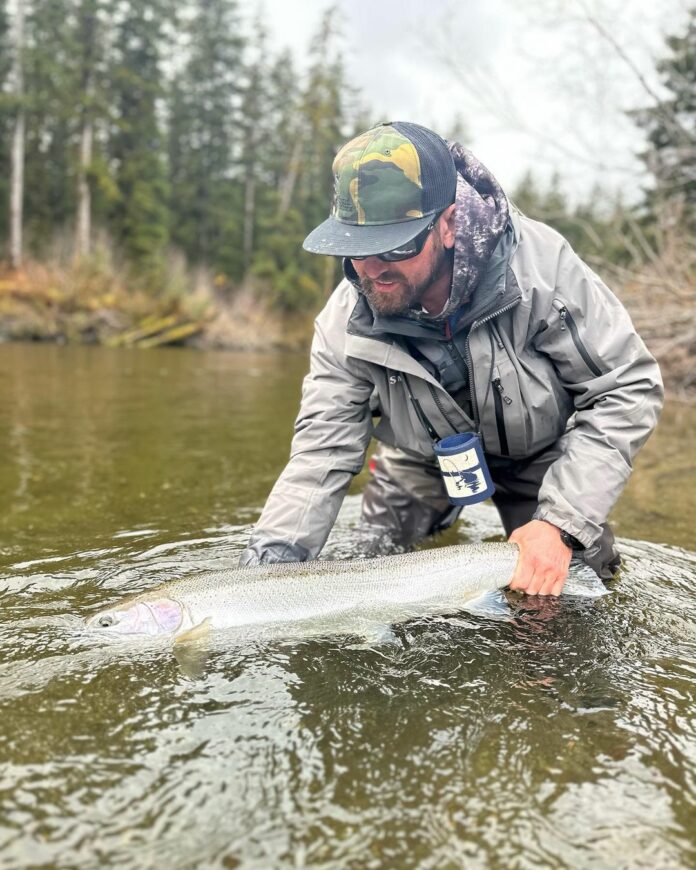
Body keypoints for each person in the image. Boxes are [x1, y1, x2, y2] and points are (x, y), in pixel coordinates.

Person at [240, 121, 663, 595]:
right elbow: (321, 451)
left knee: (578, 589)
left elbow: (627, 386)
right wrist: (266, 571)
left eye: (394, 244)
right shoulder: (346, 320)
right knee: (369, 560)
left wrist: (561, 523)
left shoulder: (542, 271)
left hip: (541, 457)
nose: (371, 268)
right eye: (355, 248)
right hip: (422, 459)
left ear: (448, 224)